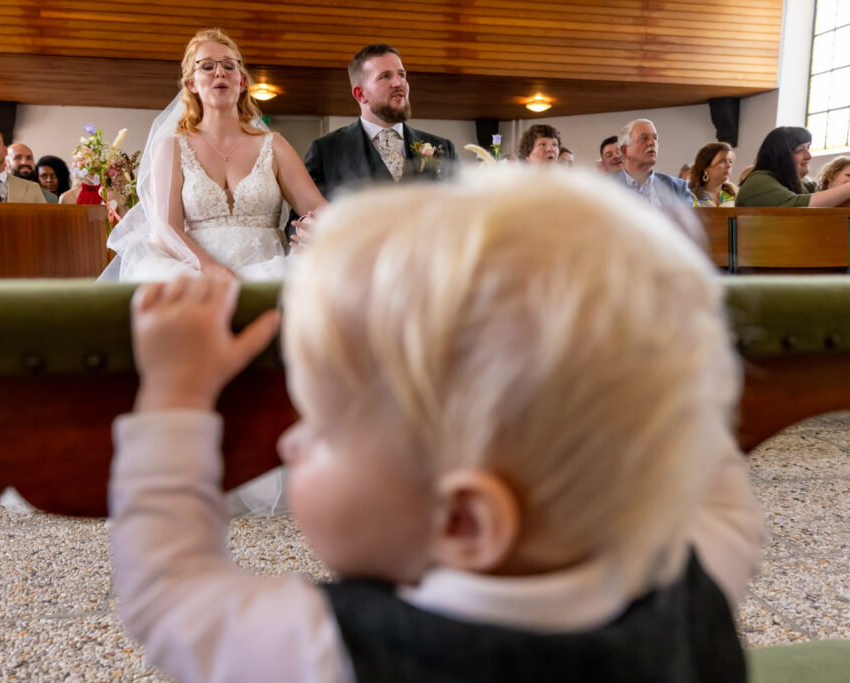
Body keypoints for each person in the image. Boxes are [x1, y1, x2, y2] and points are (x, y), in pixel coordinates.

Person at [111, 166, 762, 682]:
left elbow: (171, 595)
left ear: (464, 520)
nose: (289, 441)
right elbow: (701, 443)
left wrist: (175, 390)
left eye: (322, 426)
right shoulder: (697, 588)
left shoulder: (340, 652)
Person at [103, 28, 325, 283]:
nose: (220, 72)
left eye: (229, 66)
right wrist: (214, 271)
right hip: (194, 273)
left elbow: (320, 211)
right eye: (207, 67)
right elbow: (166, 228)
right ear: (191, 84)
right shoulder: (172, 147)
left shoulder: (274, 145)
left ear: (241, 83)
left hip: (270, 272)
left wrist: (315, 228)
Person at [302, 44, 458, 202]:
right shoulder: (326, 151)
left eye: (402, 74)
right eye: (385, 76)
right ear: (360, 94)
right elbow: (299, 219)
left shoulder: (442, 148)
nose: (399, 83)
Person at [736, 127, 850, 207]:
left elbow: (821, 191)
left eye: (808, 148)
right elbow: (799, 207)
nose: (809, 156)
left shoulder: (798, 185)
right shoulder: (759, 181)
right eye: (800, 150)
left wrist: (836, 183)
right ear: (781, 155)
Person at [612, 119, 693, 207]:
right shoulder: (605, 187)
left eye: (655, 138)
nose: (652, 143)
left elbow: (692, 220)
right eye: (644, 138)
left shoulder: (678, 188)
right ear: (625, 151)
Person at [688, 142, 737, 207]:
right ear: (705, 167)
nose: (729, 165)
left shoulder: (734, 195)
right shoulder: (689, 196)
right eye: (722, 161)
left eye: (730, 161)